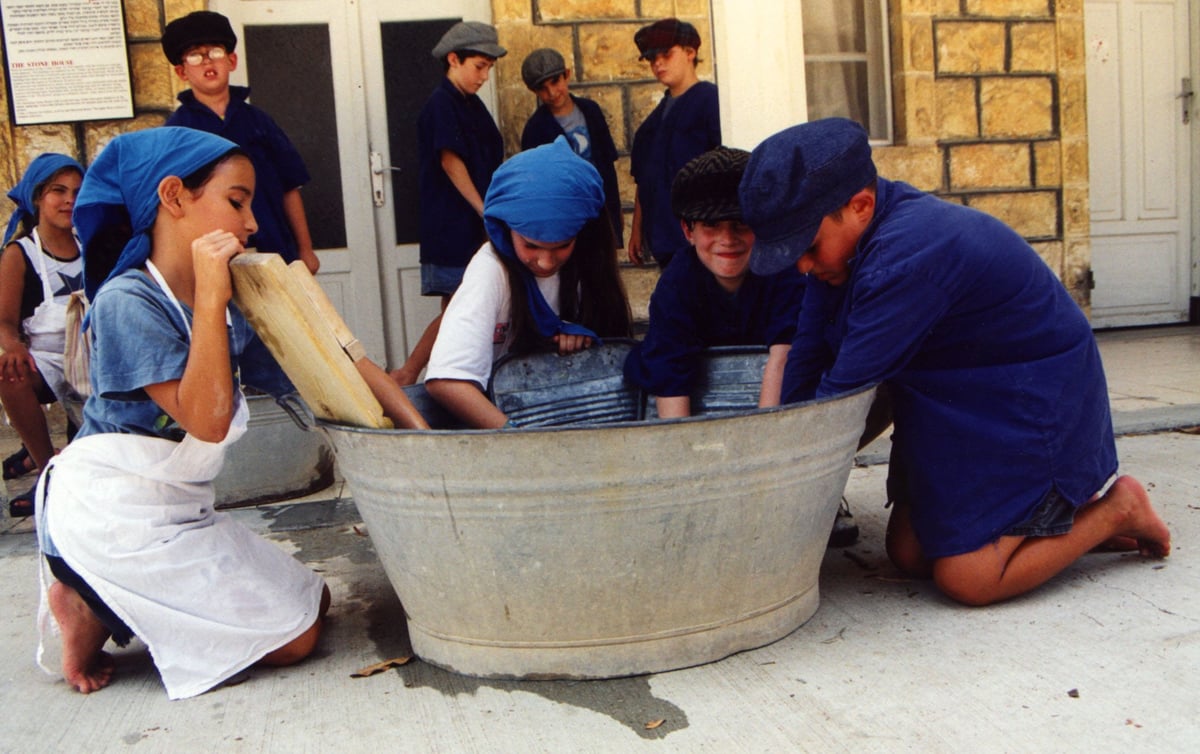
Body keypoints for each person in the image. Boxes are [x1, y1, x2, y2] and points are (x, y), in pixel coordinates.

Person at [31, 127, 420, 700]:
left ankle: (112, 601)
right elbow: (205, 420)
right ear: (173, 196)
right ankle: (85, 597)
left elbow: (335, 358)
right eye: (237, 201)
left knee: (315, 601)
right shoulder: (126, 302)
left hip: (181, 506)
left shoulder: (233, 295)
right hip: (112, 513)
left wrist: (419, 432)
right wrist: (212, 299)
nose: (252, 222)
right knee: (296, 641)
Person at [739, 118, 1172, 606]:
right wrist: (776, 456)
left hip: (1029, 399)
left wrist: (772, 503)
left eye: (807, 248)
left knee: (968, 578)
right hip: (958, 402)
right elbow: (809, 352)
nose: (801, 267)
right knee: (909, 555)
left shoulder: (905, 257)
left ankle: (1118, 509)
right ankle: (1060, 526)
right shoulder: (843, 248)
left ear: (860, 206)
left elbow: (841, 397)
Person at [424, 137, 632, 429]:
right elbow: (447, 381)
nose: (546, 262)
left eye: (562, 245)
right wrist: (521, 441)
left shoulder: (589, 263)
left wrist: (576, 342)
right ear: (503, 227)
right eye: (531, 245)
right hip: (502, 436)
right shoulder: (490, 270)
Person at [392, 21, 507, 387]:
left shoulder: (471, 105)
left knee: (466, 309)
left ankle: (436, 375)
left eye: (489, 68)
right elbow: (450, 161)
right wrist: (484, 209)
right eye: (479, 66)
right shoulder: (442, 104)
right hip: (455, 224)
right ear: (454, 59)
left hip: (475, 224)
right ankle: (413, 373)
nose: (484, 76)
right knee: (458, 308)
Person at [162, 10, 319, 275]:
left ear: (232, 61)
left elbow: (290, 186)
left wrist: (305, 249)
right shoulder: (177, 132)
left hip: (273, 251)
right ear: (181, 71)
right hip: (213, 257)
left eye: (215, 52)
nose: (206, 62)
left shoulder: (259, 121)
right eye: (195, 56)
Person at [1, 154, 85, 518]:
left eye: (78, 192)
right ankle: (45, 464)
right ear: (37, 198)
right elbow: (3, 320)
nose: (69, 200)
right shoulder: (20, 255)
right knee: (9, 373)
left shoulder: (93, 244)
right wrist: (14, 346)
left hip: (92, 352)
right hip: (49, 358)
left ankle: (81, 464)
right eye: (58, 191)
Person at [628, 18, 721, 269]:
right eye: (652, 58)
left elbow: (729, 169)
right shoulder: (652, 123)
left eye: (666, 54)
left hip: (702, 237)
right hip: (664, 238)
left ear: (690, 53)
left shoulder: (711, 103)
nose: (658, 63)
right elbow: (644, 179)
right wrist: (637, 231)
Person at [519, 48, 624, 248]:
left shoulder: (591, 111)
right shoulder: (535, 128)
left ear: (567, 75)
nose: (551, 93)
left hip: (600, 206)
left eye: (555, 82)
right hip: (565, 215)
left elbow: (607, 165)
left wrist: (615, 209)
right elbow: (538, 183)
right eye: (542, 88)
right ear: (534, 91)